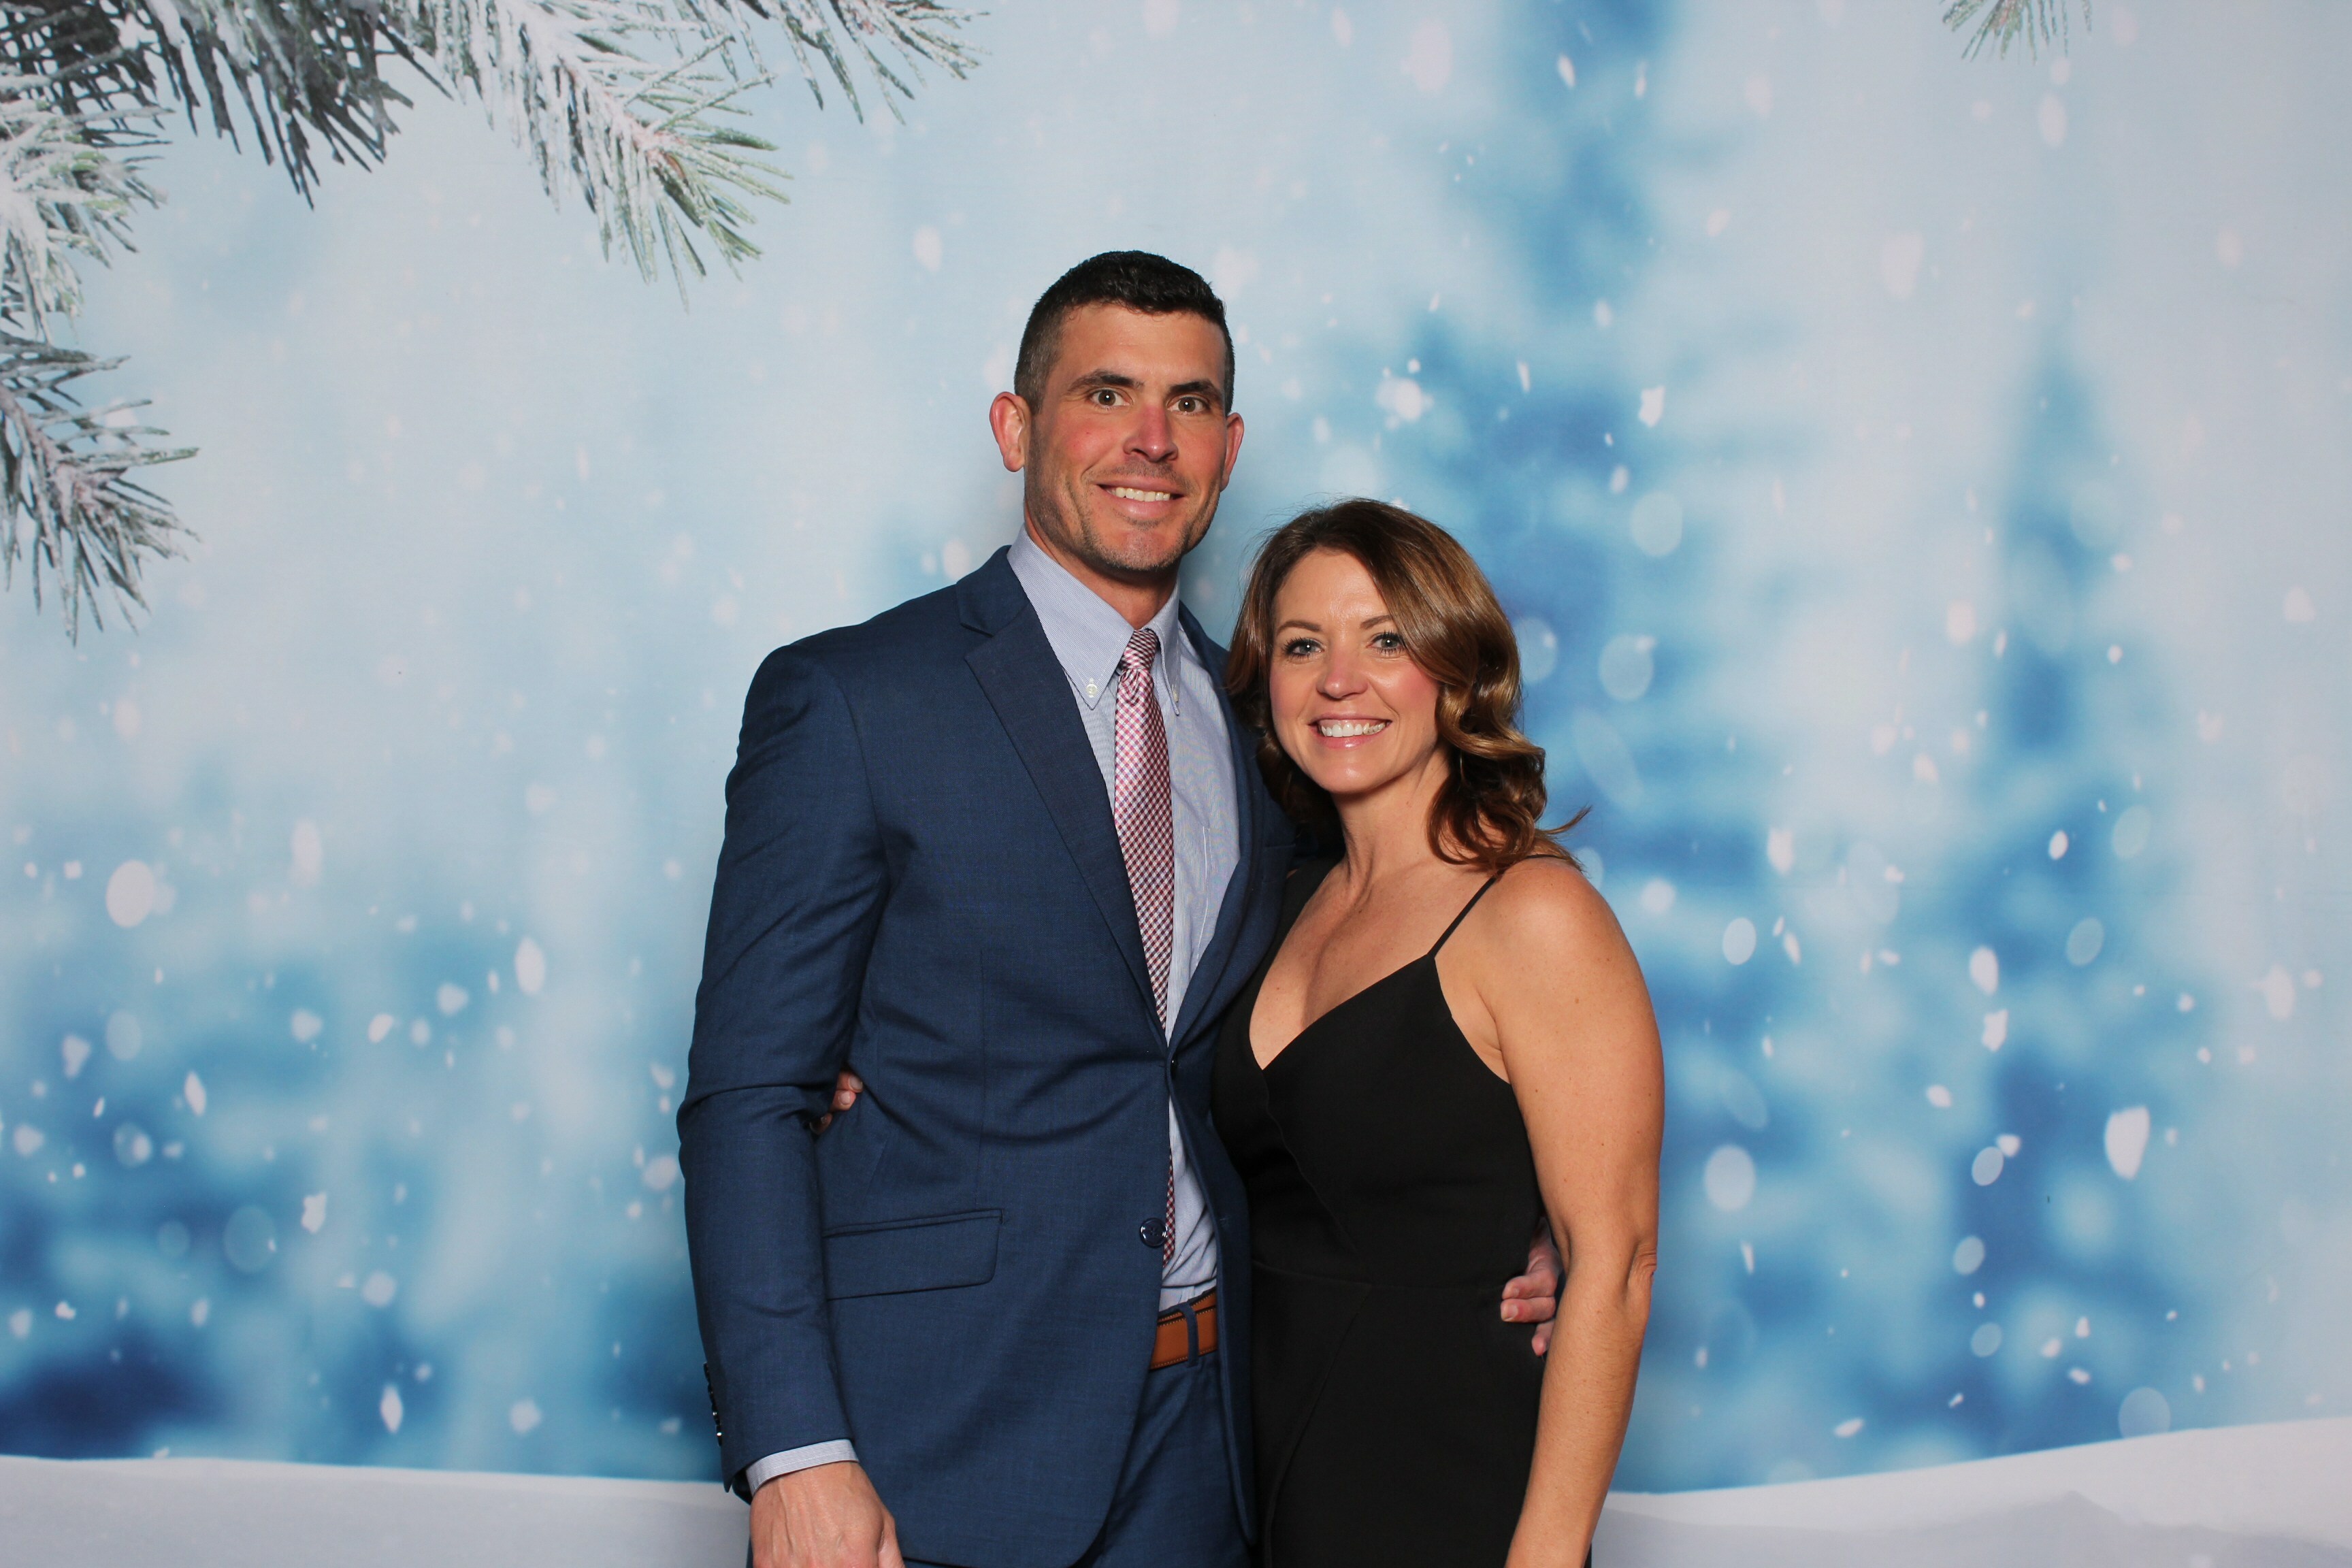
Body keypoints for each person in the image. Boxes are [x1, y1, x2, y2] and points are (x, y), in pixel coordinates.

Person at [677, 252, 1558, 1568]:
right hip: (934, 1443)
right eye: (1106, 393)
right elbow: (749, 1096)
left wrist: (1526, 1211)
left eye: (1189, 403)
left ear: (1229, 448)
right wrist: (795, 1452)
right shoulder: (856, 701)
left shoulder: (1280, 729)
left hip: (1217, 1442)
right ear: (1016, 427)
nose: (1152, 439)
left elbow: (1379, 996)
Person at [1211, 500, 1663, 1568]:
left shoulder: (1533, 914)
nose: (1339, 681)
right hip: (1270, 1483)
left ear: (1455, 670)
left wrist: (1545, 1556)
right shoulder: (1278, 900)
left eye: (1385, 641)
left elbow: (1617, 1262)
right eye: (1303, 646)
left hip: (1452, 1486)